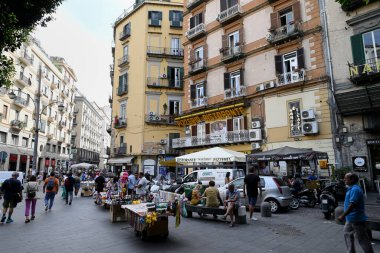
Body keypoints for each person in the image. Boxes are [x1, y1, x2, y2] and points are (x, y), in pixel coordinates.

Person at [338, 173, 374, 253]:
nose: (344, 180)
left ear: (352, 180)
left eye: (346, 178)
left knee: (361, 238)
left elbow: (352, 205)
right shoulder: (352, 188)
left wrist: (343, 215)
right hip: (353, 218)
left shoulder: (355, 190)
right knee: (353, 236)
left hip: (355, 218)